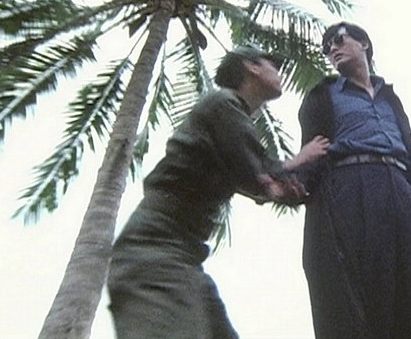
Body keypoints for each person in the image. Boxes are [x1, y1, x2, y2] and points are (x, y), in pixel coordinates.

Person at [106, 46, 329, 339]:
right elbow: (254, 167)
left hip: (182, 259)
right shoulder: (222, 104)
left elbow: (251, 176)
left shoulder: (228, 121)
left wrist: (275, 188)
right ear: (252, 67)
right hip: (154, 254)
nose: (279, 73)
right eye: (272, 65)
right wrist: (300, 159)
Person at [297, 21, 411, 338]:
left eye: (338, 40)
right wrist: (292, 183)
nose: (332, 48)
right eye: (327, 47)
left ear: (364, 44)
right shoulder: (323, 96)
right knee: (369, 289)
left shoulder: (389, 99)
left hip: (402, 188)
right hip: (352, 187)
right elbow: (310, 154)